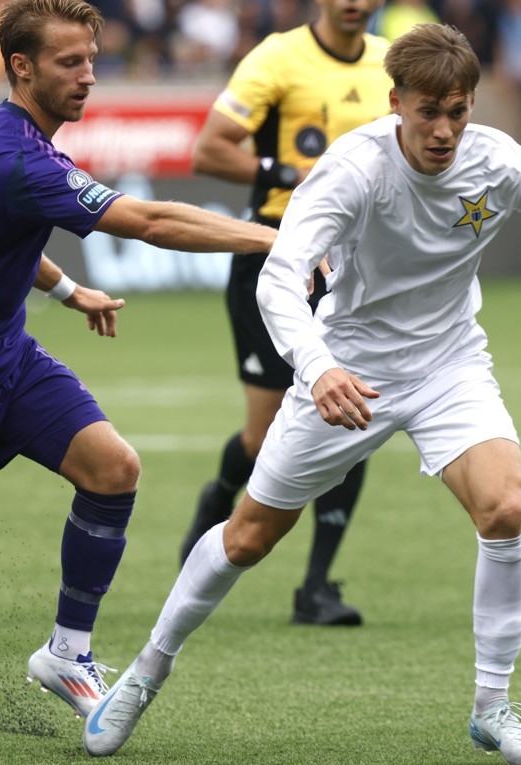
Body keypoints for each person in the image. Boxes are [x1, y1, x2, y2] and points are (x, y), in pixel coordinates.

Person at [81, 23, 521, 764]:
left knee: (506, 507)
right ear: (397, 103)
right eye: (429, 113)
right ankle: (147, 669)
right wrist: (318, 367)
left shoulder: (498, 163)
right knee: (249, 535)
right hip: (349, 367)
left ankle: (493, 705)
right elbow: (282, 276)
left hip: (450, 364)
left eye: (459, 111)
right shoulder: (354, 168)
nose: (444, 130)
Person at [0, 0, 276, 747]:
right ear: (22, 68)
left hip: (1, 350)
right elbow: (153, 223)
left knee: (112, 468)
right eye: (71, 62)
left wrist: (69, 290)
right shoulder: (17, 157)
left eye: (92, 60)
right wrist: (272, 238)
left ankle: (67, 652)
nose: (88, 76)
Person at [182, 0, 392, 626]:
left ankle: (317, 587)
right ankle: (216, 504)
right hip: (277, 254)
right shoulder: (277, 56)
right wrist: (285, 170)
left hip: (357, 264)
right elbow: (208, 151)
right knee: (262, 431)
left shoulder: (391, 65)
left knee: (356, 415)